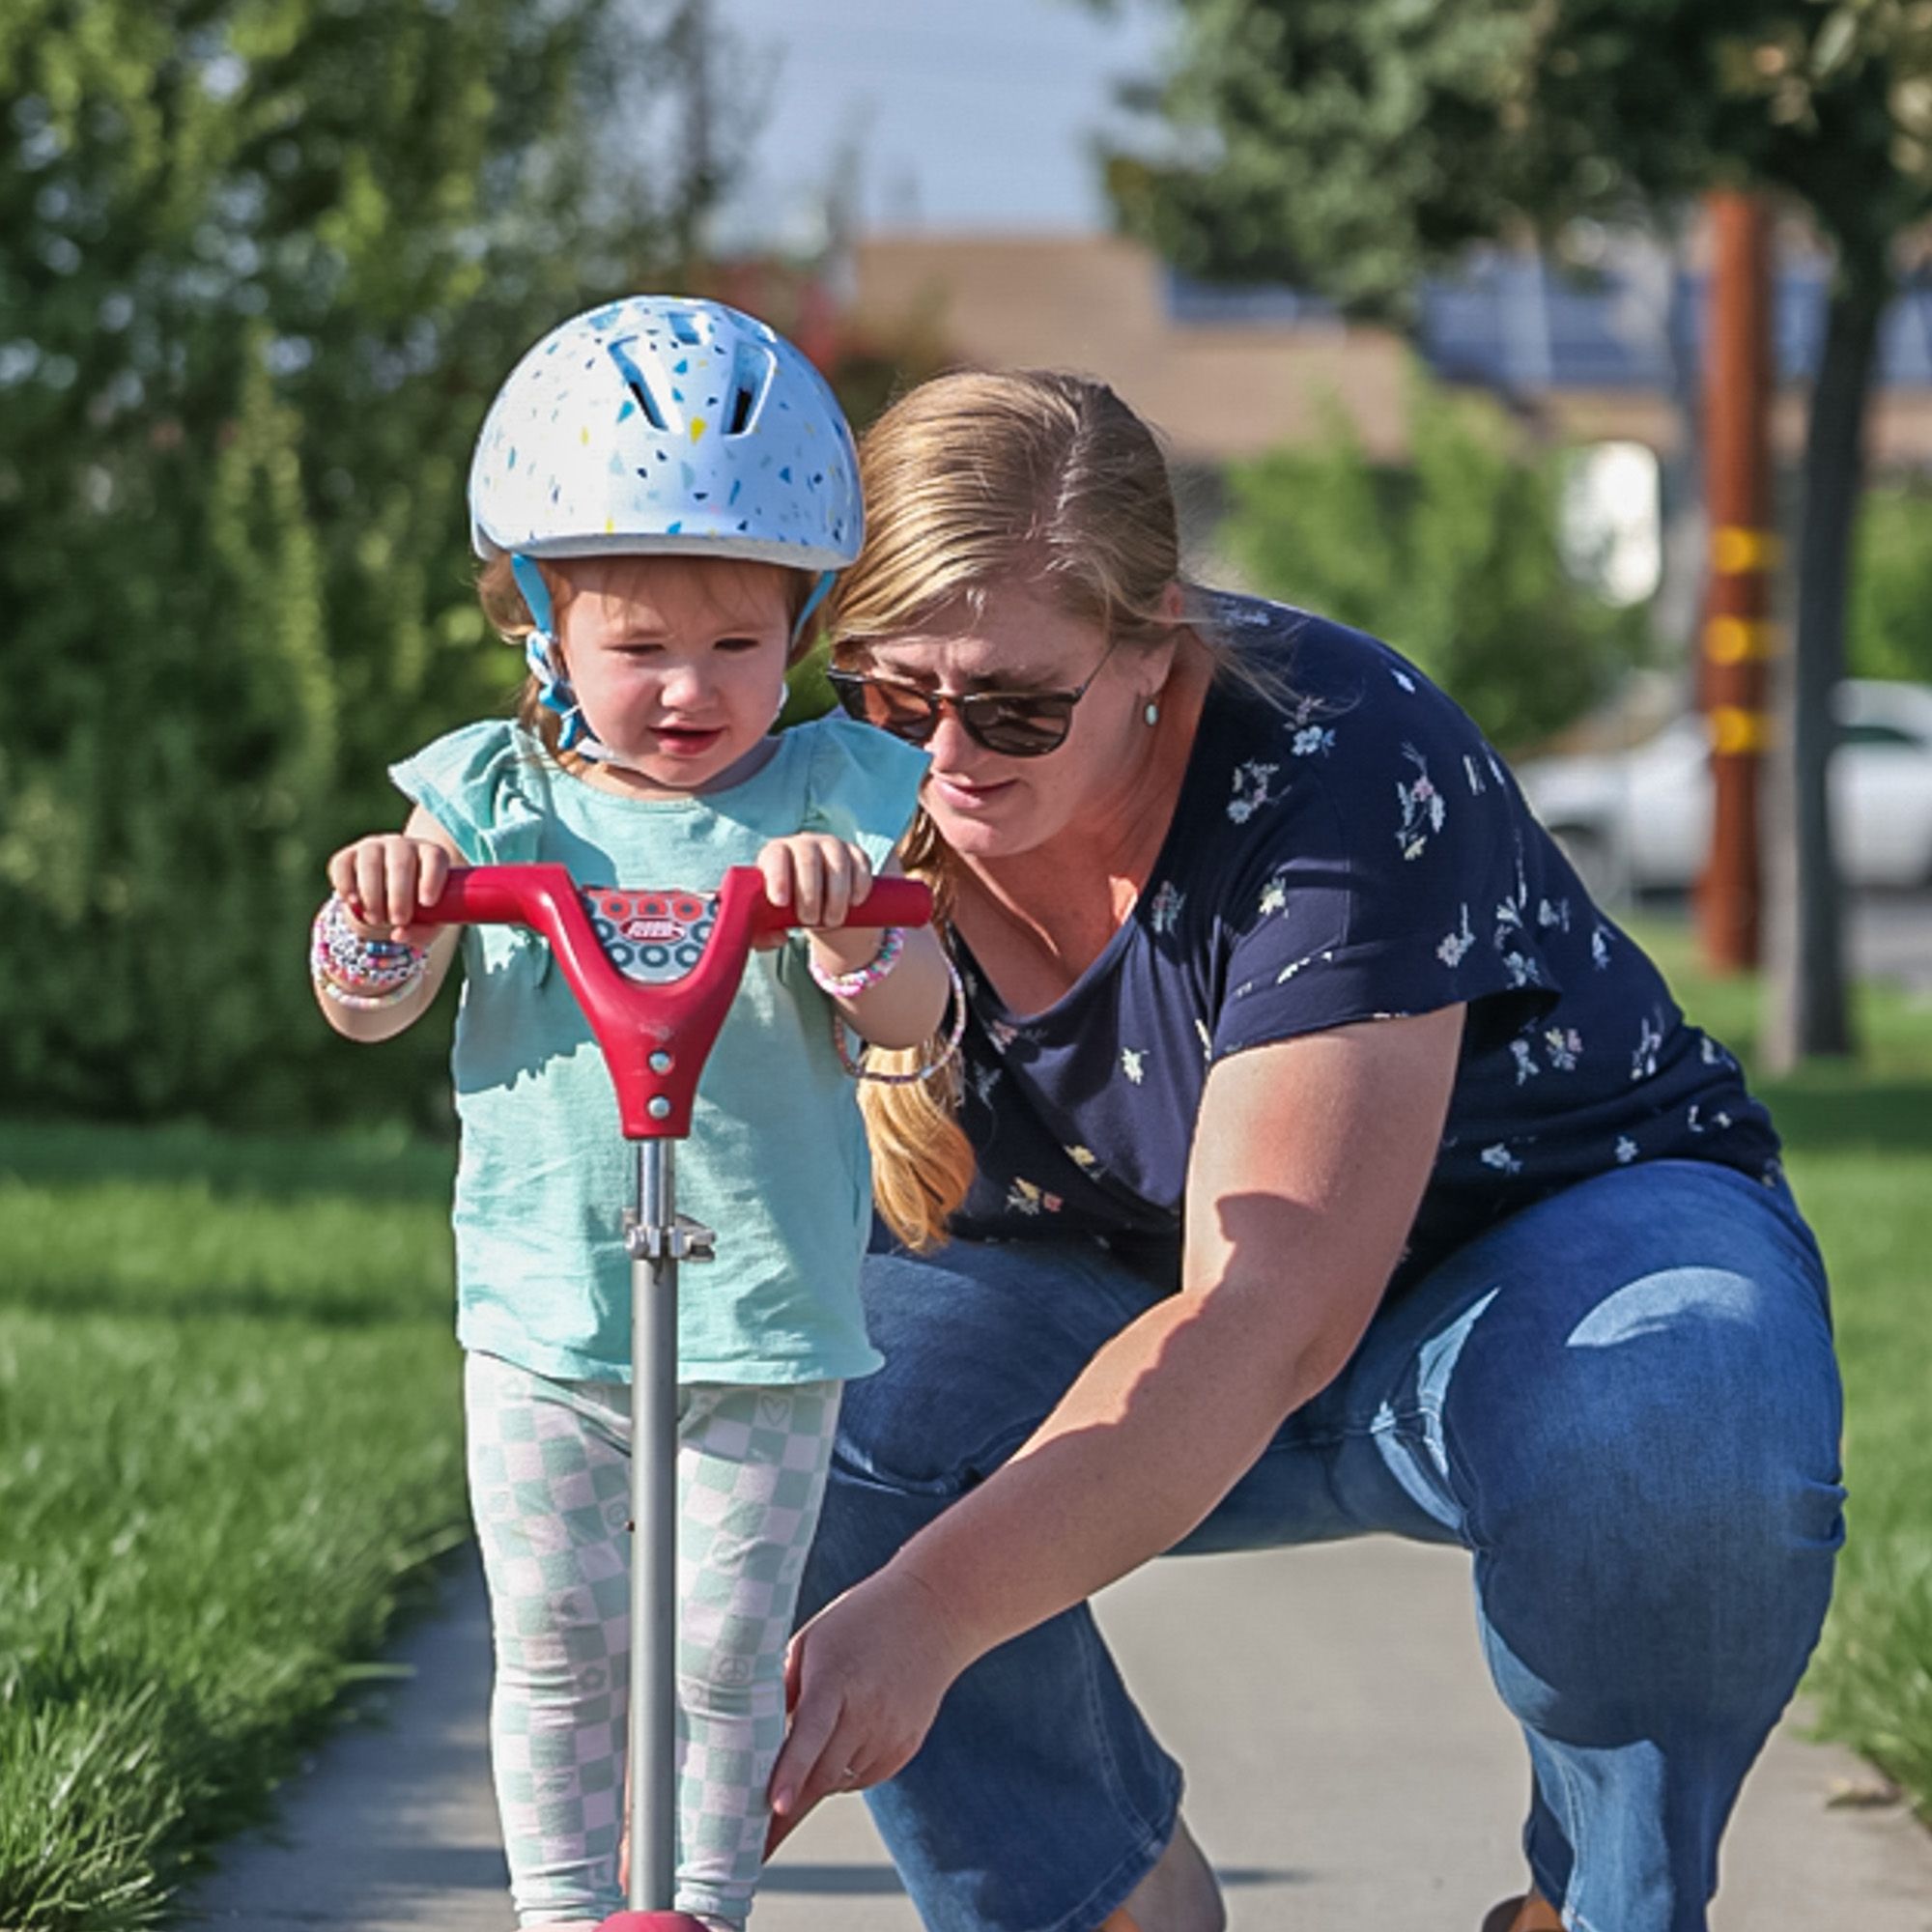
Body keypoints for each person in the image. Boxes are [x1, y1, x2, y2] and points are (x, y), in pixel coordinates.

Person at [762, 369, 1845, 1932]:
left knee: (1684, 1407)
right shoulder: (833, 796)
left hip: (1528, 1256)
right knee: (786, 1400)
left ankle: (1600, 1907)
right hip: (1119, 1295)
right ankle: (1109, 1903)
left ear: (1154, 645)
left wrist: (923, 1619)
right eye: (889, 694)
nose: (947, 751)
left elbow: (1270, 1311)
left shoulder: (1336, 758)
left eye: (1014, 705)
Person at [309, 297, 953, 1931]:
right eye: (639, 647)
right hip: (545, 1316)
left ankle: (704, 1910)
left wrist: (850, 930)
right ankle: (558, 1916)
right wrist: (386, 913)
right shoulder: (486, 807)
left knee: (725, 1666)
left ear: (801, 632)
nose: (690, 687)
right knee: (556, 1656)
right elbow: (364, 1003)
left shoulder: (833, 803)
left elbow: (912, 1023)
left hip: (762, 1320)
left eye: (738, 644)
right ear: (539, 625)